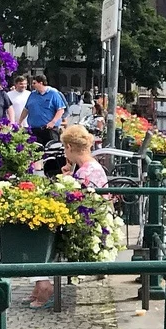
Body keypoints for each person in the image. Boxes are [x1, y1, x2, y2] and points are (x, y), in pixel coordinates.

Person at [25, 125, 108, 309]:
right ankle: (40, 285)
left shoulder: (86, 172)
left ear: (69, 147)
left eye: (64, 147)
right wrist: (68, 177)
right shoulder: (89, 167)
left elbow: (75, 204)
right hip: (89, 224)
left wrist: (65, 182)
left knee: (32, 232)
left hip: (83, 230)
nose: (64, 152)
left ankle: (43, 285)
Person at [19, 74, 66, 145]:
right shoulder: (32, 94)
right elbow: (26, 109)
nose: (32, 85)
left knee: (50, 149)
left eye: (34, 83)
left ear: (40, 83)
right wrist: (20, 121)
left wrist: (53, 122)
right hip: (34, 129)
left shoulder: (53, 93)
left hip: (49, 129)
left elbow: (61, 110)